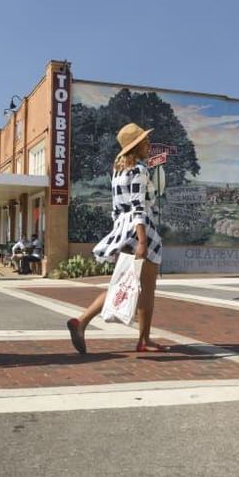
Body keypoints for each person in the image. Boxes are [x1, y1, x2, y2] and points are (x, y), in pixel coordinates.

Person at [66, 123, 167, 353]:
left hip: (123, 228)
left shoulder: (118, 172)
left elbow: (116, 209)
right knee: (146, 289)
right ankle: (142, 340)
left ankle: (82, 322)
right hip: (141, 231)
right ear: (136, 146)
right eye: (145, 142)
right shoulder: (140, 171)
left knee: (123, 284)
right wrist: (142, 241)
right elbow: (139, 206)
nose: (148, 145)